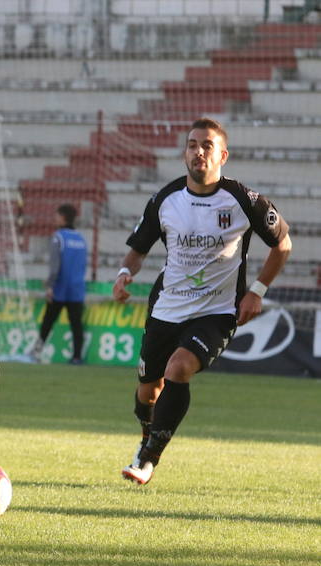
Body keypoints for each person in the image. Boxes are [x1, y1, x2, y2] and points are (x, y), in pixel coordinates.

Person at [113, 117, 291, 485]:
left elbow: (282, 245)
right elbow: (138, 248)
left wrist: (257, 291)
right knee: (148, 392)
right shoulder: (166, 199)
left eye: (207, 145)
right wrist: (124, 275)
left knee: (179, 368)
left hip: (217, 310)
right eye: (192, 145)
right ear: (185, 154)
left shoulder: (243, 199)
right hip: (166, 307)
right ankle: (148, 433)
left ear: (223, 154)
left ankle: (148, 459)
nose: (198, 152)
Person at [31, 203, 87, 364]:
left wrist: (50, 285)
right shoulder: (81, 239)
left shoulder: (58, 237)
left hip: (60, 288)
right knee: (76, 325)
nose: (55, 219)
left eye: (56, 216)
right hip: (76, 289)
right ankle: (77, 357)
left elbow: (55, 266)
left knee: (48, 321)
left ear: (62, 217)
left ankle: (37, 353)